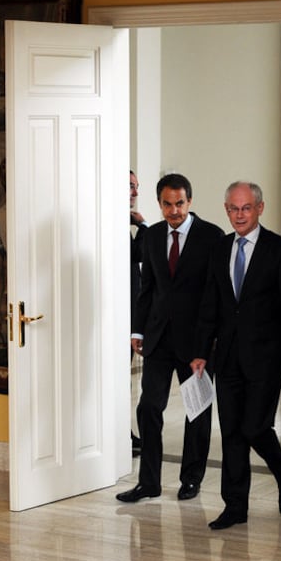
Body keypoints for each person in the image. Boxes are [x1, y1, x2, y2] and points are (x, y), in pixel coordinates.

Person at [190, 181, 281, 530]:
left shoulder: (280, 250)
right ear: (226, 210)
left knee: (255, 427)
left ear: (260, 208)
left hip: (267, 359)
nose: (239, 215)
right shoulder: (219, 249)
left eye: (246, 208)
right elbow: (211, 302)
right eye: (233, 208)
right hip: (227, 359)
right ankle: (235, 506)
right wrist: (200, 352)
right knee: (232, 434)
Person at [116, 172, 224, 503]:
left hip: (197, 343)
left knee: (197, 412)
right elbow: (146, 289)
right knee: (149, 407)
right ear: (159, 203)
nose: (173, 210)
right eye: (166, 204)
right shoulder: (152, 237)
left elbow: (215, 294)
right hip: (159, 339)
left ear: (189, 201)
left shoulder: (212, 236)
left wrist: (208, 343)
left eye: (179, 203)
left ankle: (191, 479)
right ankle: (148, 482)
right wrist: (137, 330)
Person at [130, 170, 148, 456]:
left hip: (130, 317)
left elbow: (141, 254)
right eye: (129, 187)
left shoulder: (127, 224)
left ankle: (124, 433)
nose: (134, 193)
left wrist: (142, 226)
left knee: (123, 381)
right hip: (114, 318)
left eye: (135, 187)